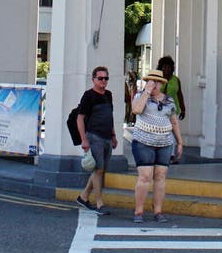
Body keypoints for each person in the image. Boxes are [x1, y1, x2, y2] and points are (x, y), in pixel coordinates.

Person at [130, 68, 183, 223]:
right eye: (150, 82)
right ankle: (138, 211)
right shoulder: (141, 96)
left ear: (161, 84)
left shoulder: (169, 101)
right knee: (145, 176)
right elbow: (136, 110)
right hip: (143, 142)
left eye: (156, 82)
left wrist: (179, 141)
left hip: (165, 142)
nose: (153, 85)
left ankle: (158, 211)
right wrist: (146, 92)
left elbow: (174, 121)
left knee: (160, 176)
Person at [75, 65, 118, 215]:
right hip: (94, 137)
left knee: (100, 170)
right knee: (98, 170)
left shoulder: (109, 95)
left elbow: (110, 116)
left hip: (107, 137)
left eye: (106, 78)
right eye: (100, 78)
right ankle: (100, 203)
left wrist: (113, 135)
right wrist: (84, 140)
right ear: (93, 79)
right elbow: (80, 119)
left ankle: (83, 197)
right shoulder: (89, 95)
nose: (103, 81)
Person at [157, 55, 186, 162]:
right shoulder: (158, 80)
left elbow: (179, 94)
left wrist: (183, 109)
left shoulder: (176, 80)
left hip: (174, 110)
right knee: (165, 132)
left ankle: (172, 155)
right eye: (164, 66)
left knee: (173, 131)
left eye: (168, 66)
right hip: (161, 110)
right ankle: (164, 153)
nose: (166, 69)